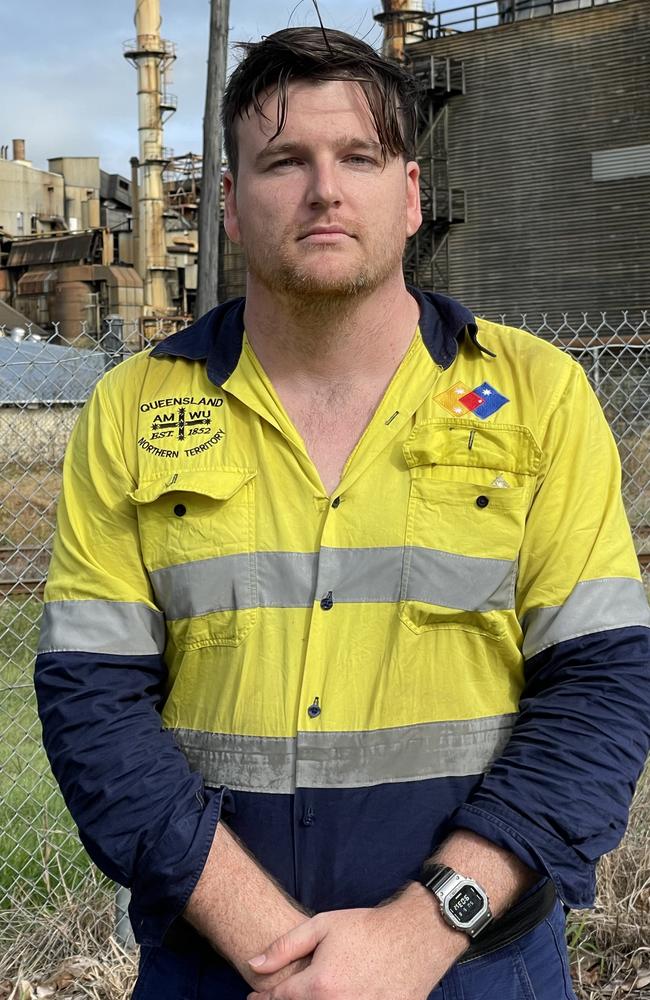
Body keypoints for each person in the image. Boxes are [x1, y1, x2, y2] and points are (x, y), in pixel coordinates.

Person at [35, 26, 650, 1000]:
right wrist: (273, 944)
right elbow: (90, 699)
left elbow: (599, 691)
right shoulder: (136, 409)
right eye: (284, 161)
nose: (324, 189)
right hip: (215, 968)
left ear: (407, 194)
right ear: (229, 206)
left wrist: (419, 930)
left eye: (357, 157)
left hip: (475, 963)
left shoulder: (535, 397)